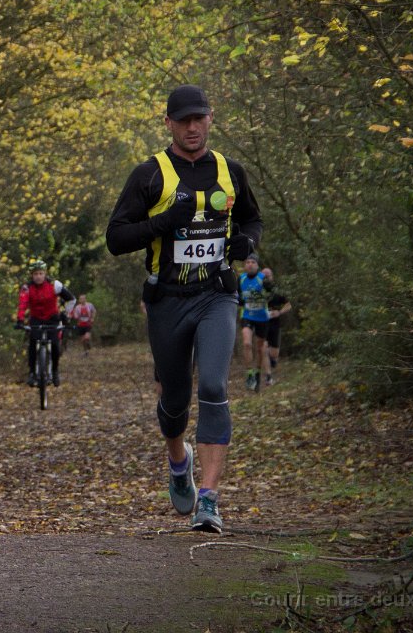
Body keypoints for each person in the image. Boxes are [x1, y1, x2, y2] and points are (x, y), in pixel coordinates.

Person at [105, 83, 263, 533]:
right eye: (183, 120)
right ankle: (179, 461)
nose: (192, 127)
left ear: (211, 119)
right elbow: (116, 238)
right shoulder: (149, 175)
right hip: (168, 301)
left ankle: (208, 499)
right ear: (169, 124)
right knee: (174, 401)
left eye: (199, 118)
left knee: (212, 385)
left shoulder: (231, 171)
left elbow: (251, 218)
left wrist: (247, 242)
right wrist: (162, 223)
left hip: (217, 295)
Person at [15, 260, 76, 387]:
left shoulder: (55, 285)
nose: (38, 276)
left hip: (52, 318)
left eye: (41, 273)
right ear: (31, 275)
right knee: (32, 344)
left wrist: (66, 314)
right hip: (36, 318)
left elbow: (71, 299)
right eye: (35, 274)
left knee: (55, 345)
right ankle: (32, 373)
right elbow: (22, 304)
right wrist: (20, 320)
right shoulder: (27, 288)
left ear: (45, 274)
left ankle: (55, 372)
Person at [239, 254, 271, 391]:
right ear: (244, 266)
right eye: (247, 262)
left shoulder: (262, 278)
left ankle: (258, 372)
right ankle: (250, 374)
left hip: (262, 317)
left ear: (257, 266)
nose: (250, 264)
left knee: (260, 348)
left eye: (253, 262)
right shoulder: (241, 279)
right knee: (247, 343)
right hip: (247, 315)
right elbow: (237, 297)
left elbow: (273, 294)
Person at [261, 267, 292, 384]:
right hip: (261, 323)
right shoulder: (256, 291)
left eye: (268, 276)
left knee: (274, 353)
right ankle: (268, 376)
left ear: (272, 277)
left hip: (275, 323)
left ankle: (273, 359)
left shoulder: (277, 291)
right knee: (263, 347)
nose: (266, 278)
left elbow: (288, 305)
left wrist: (279, 312)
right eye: (263, 276)